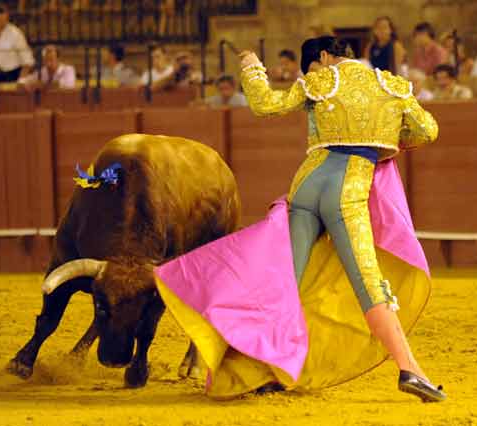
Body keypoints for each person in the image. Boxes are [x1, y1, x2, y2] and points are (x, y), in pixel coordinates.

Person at [154, 36, 446, 402]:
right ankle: (410, 369)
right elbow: (427, 131)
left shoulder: (321, 81)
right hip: (348, 187)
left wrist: (252, 67)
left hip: (307, 184)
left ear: (325, 57)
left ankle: (248, 369)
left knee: (283, 281)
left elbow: (264, 104)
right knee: (368, 282)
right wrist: (386, 138)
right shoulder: (392, 85)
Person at [0, 5, 34, 82]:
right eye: (0, 20)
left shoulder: (15, 33)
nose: (3, 23)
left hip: (12, 74)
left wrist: (22, 79)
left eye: (5, 20)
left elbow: (26, 58)